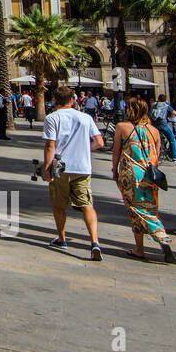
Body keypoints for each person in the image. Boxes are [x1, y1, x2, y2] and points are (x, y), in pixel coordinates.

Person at [41, 84, 105, 260]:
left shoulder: (52, 118)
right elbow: (99, 142)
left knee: (59, 205)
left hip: (61, 168)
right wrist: (84, 149)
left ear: (54, 100)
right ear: (72, 100)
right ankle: (95, 242)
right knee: (87, 205)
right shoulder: (85, 118)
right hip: (83, 167)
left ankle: (62, 238)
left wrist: (47, 168)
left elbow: (50, 145)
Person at [111, 96, 176, 263]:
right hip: (150, 176)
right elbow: (156, 153)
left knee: (135, 211)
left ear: (131, 109)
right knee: (148, 209)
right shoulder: (154, 131)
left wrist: (115, 171)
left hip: (131, 175)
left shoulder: (122, 127)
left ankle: (162, 237)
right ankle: (139, 249)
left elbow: (116, 152)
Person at [149, 94, 176, 164]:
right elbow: (175, 114)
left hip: (154, 125)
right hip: (163, 125)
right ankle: (174, 156)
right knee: (172, 139)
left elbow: (150, 114)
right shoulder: (166, 106)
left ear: (158, 99)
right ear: (165, 100)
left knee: (154, 140)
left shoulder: (153, 105)